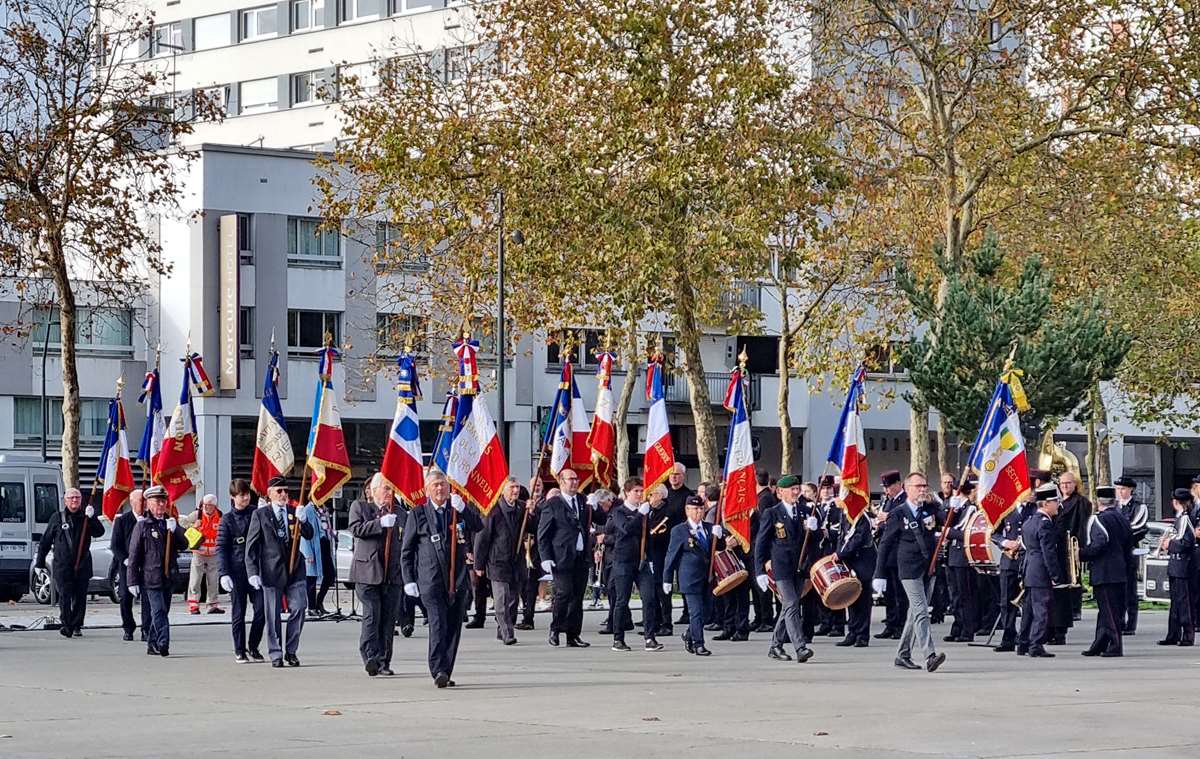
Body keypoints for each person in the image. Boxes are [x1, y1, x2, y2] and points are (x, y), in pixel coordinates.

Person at [401, 470, 484, 688]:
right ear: (427, 489)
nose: (440, 489)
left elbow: (479, 525)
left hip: (457, 580)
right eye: (435, 485)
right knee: (437, 624)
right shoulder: (418, 514)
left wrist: (464, 509)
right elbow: (407, 551)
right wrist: (409, 579)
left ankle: (446, 669)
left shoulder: (456, 510)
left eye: (443, 485)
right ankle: (437, 668)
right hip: (431, 580)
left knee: (453, 627)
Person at [874, 472, 946, 673]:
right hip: (909, 569)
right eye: (918, 486)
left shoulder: (930, 508)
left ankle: (902, 654)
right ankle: (929, 655)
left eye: (924, 485)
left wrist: (952, 507)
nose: (922, 489)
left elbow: (947, 519)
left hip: (928, 567)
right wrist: (879, 574)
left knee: (914, 614)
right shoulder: (898, 513)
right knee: (921, 610)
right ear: (906, 488)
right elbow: (885, 544)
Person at [246, 476, 314, 668]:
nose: (284, 495)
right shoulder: (260, 515)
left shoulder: (294, 512)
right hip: (271, 570)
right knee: (273, 615)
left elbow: (309, 534)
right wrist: (252, 572)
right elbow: (251, 546)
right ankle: (276, 653)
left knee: (300, 607)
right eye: (279, 491)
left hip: (295, 569)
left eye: (286, 491)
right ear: (270, 494)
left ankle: (291, 651)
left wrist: (304, 520)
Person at [754, 474, 817, 664]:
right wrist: (759, 570)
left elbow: (813, 542)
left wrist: (815, 529)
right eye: (792, 490)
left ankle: (775, 645)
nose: (796, 492)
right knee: (791, 603)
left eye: (797, 489)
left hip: (800, 566)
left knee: (789, 606)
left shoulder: (806, 511)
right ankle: (800, 647)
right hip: (781, 566)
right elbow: (761, 542)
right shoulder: (772, 513)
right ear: (780, 492)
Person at [349, 473, 405, 676]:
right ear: (373, 491)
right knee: (372, 614)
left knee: (388, 619)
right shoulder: (360, 507)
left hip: (392, 573)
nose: (390, 493)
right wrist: (380, 523)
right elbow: (356, 529)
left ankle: (384, 661)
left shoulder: (400, 513)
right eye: (386, 488)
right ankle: (370, 656)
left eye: (392, 489)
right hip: (367, 572)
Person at [536, 468, 595, 648]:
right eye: (570, 479)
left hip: (581, 556)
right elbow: (543, 533)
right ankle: (556, 629)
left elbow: (599, 518)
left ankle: (573, 635)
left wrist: (596, 505)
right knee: (564, 593)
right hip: (561, 557)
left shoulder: (583, 501)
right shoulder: (553, 503)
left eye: (576, 479)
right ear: (561, 482)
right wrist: (545, 557)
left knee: (577, 597)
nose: (575, 482)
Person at [35, 487, 104, 638]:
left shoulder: (86, 517)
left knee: (80, 597)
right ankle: (67, 625)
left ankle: (77, 624)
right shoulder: (57, 518)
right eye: (71, 498)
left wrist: (92, 518)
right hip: (62, 565)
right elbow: (45, 541)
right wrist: (39, 563)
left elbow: (100, 532)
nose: (74, 500)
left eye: (77, 498)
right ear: (65, 500)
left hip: (82, 564)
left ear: (81, 500)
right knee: (65, 596)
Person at [125, 486, 187, 656]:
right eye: (157, 501)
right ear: (149, 505)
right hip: (151, 577)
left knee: (162, 611)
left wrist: (177, 531)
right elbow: (134, 555)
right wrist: (132, 581)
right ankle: (163, 642)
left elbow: (185, 545)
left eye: (163, 501)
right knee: (158, 611)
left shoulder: (170, 524)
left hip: (168, 576)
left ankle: (151, 643)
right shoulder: (143, 526)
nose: (161, 504)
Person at [605, 478, 663, 652]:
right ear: (627, 493)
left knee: (649, 598)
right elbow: (626, 529)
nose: (639, 494)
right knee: (622, 600)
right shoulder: (618, 512)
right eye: (636, 491)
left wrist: (650, 559)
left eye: (641, 491)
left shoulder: (643, 513)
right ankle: (618, 638)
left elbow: (649, 538)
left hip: (642, 561)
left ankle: (649, 637)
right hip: (623, 561)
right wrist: (640, 515)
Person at [664, 494, 725, 655]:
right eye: (695, 509)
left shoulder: (709, 527)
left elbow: (718, 547)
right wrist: (667, 578)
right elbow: (671, 555)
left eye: (701, 508)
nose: (699, 512)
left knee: (706, 612)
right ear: (687, 510)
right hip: (689, 578)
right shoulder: (679, 530)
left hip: (708, 577)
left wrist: (720, 536)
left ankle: (689, 634)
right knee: (696, 611)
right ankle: (699, 644)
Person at [1078, 485, 1130, 657]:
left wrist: (1081, 554)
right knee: (1108, 610)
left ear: (1098, 501)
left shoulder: (1098, 519)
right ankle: (1099, 643)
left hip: (1104, 571)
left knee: (1109, 610)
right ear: (1113, 500)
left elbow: (1099, 544)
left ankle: (1115, 645)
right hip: (1120, 570)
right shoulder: (1122, 518)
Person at [217, 479, 265, 663]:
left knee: (261, 610)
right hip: (236, 570)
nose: (245, 498)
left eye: (247, 494)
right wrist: (224, 573)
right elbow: (221, 547)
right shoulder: (227, 519)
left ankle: (253, 646)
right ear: (233, 497)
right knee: (239, 612)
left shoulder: (257, 513)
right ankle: (239, 649)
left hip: (256, 569)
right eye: (241, 495)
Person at [474, 477, 526, 646]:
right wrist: (479, 564)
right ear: (503, 490)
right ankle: (507, 632)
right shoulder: (493, 510)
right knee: (501, 600)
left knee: (513, 600)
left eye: (517, 487)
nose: (515, 491)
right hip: (497, 561)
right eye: (512, 487)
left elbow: (532, 527)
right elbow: (482, 538)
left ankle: (501, 629)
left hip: (516, 561)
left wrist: (532, 513)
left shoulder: (522, 508)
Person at [1019, 483, 1064, 658]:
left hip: (1030, 569)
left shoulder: (1030, 521)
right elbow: (1049, 553)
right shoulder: (1045, 524)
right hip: (1040, 572)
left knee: (1028, 611)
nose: (1058, 505)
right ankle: (1036, 644)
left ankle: (1023, 643)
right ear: (1046, 504)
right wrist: (1055, 575)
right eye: (1055, 501)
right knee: (1041, 610)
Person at [991, 493, 1035, 653]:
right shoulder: (1006, 510)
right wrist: (1005, 542)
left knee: (1028, 602)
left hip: (1026, 561)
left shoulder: (1035, 510)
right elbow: (993, 532)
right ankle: (1008, 636)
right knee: (1006, 602)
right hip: (1009, 561)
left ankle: (1027, 637)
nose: (1031, 495)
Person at [1051, 471, 1091, 644]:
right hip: (1058, 548)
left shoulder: (1082, 503)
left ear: (1075, 484)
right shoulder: (1056, 503)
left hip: (1071, 546)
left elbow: (1082, 526)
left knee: (1072, 580)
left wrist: (1079, 548)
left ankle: (1075, 608)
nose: (1065, 486)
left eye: (1068, 483)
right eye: (1062, 483)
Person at [833, 492, 876, 647]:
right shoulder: (845, 515)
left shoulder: (862, 518)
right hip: (849, 561)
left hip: (862, 562)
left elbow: (856, 539)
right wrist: (838, 554)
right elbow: (841, 536)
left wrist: (841, 553)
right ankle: (852, 632)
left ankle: (862, 635)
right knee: (850, 597)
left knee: (863, 600)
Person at [110, 488, 150, 641]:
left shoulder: (149, 519)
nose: (143, 504)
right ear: (132, 502)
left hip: (146, 566)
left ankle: (146, 629)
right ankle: (128, 627)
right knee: (125, 598)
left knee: (147, 599)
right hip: (127, 566)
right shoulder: (122, 521)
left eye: (144, 501)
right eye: (140, 501)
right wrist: (125, 559)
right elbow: (115, 545)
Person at [1158, 489, 1195, 647]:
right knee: (1175, 602)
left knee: (1183, 602)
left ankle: (1187, 634)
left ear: (1176, 502)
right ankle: (1173, 633)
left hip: (1183, 565)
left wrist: (1169, 544)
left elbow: (1187, 542)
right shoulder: (1179, 519)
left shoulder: (1186, 519)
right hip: (1175, 565)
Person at [873, 470, 908, 640]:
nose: (887, 491)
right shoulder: (889, 501)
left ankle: (901, 625)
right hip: (886, 551)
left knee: (899, 592)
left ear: (898, 484)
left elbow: (903, 521)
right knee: (889, 593)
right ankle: (891, 623)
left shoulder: (904, 500)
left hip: (898, 550)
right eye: (885, 487)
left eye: (889, 487)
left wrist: (887, 518)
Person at [944, 483, 978, 642]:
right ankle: (957, 627)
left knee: (965, 595)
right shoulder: (956, 509)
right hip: (952, 554)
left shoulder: (970, 509)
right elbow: (945, 522)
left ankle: (967, 630)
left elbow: (967, 532)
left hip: (963, 556)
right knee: (955, 595)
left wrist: (948, 532)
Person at [1114, 476, 1147, 635]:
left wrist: (1118, 534)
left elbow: (1138, 527)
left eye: (1123, 489)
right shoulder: (1114, 506)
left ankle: (1131, 624)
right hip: (1115, 554)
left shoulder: (1139, 507)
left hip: (1129, 553)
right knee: (1117, 590)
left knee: (1130, 591)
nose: (1120, 492)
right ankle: (1119, 621)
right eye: (1118, 489)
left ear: (1130, 490)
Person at [181, 493, 223, 615]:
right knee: (195, 579)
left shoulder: (220, 517)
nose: (207, 507)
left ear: (214, 506)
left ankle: (212, 604)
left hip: (214, 553)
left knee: (213, 580)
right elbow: (183, 523)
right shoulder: (196, 515)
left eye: (210, 505)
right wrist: (193, 526)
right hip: (199, 552)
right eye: (205, 505)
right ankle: (193, 604)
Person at [664, 463, 692, 630]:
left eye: (677, 474)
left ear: (683, 475)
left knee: (683, 578)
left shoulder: (687, 495)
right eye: (671, 474)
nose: (674, 477)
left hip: (682, 542)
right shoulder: (664, 493)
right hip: (664, 542)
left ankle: (687, 611)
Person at [750, 469, 776, 632]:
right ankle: (759, 616)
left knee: (762, 584)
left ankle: (766, 618)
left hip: (762, 545)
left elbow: (762, 524)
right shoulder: (761, 497)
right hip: (755, 544)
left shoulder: (765, 498)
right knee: (756, 584)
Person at [515, 486, 541, 631]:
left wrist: (532, 512)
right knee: (521, 587)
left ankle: (528, 616)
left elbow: (536, 527)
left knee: (530, 588)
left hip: (533, 554)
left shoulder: (535, 510)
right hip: (520, 553)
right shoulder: (517, 512)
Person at [296, 498, 325, 619]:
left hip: (319, 546)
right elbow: (305, 534)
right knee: (311, 581)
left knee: (323, 577)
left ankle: (317, 604)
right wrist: (308, 554)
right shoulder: (307, 510)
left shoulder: (320, 510)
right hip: (310, 548)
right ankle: (311, 607)